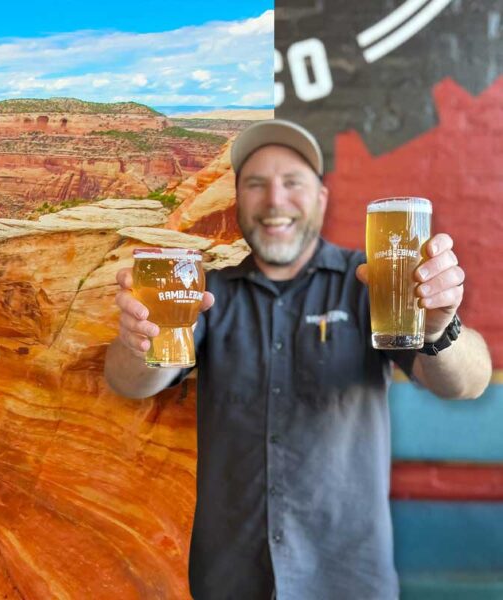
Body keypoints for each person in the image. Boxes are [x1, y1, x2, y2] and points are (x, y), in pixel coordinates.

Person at [104, 119, 492, 600]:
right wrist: (138, 341)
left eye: (292, 183)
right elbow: (131, 382)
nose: (274, 201)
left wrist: (439, 329)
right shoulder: (206, 291)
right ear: (238, 201)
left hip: (347, 579)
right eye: (256, 185)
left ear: (321, 199)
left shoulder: (370, 280)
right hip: (229, 578)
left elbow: (468, 381)